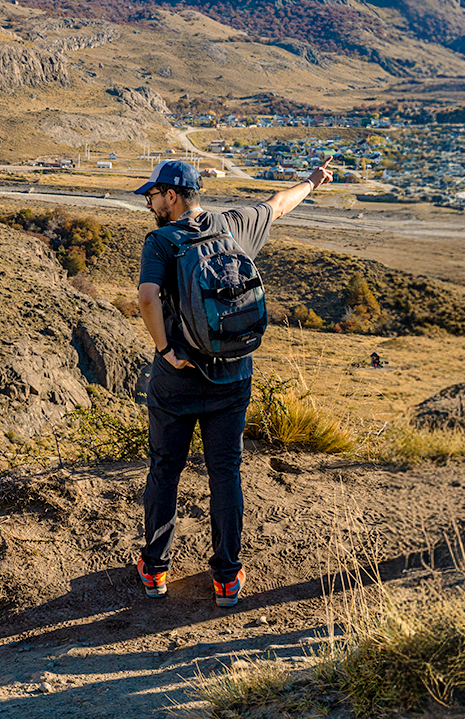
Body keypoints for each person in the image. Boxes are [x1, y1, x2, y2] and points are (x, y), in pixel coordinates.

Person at [133, 157, 332, 609]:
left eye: (153, 196)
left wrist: (166, 350)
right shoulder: (233, 225)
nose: (150, 203)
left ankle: (156, 571)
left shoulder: (161, 242)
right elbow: (279, 205)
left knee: (166, 469)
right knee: (225, 473)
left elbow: (146, 297)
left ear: (172, 196)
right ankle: (226, 577)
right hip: (232, 377)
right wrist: (312, 182)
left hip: (177, 381)